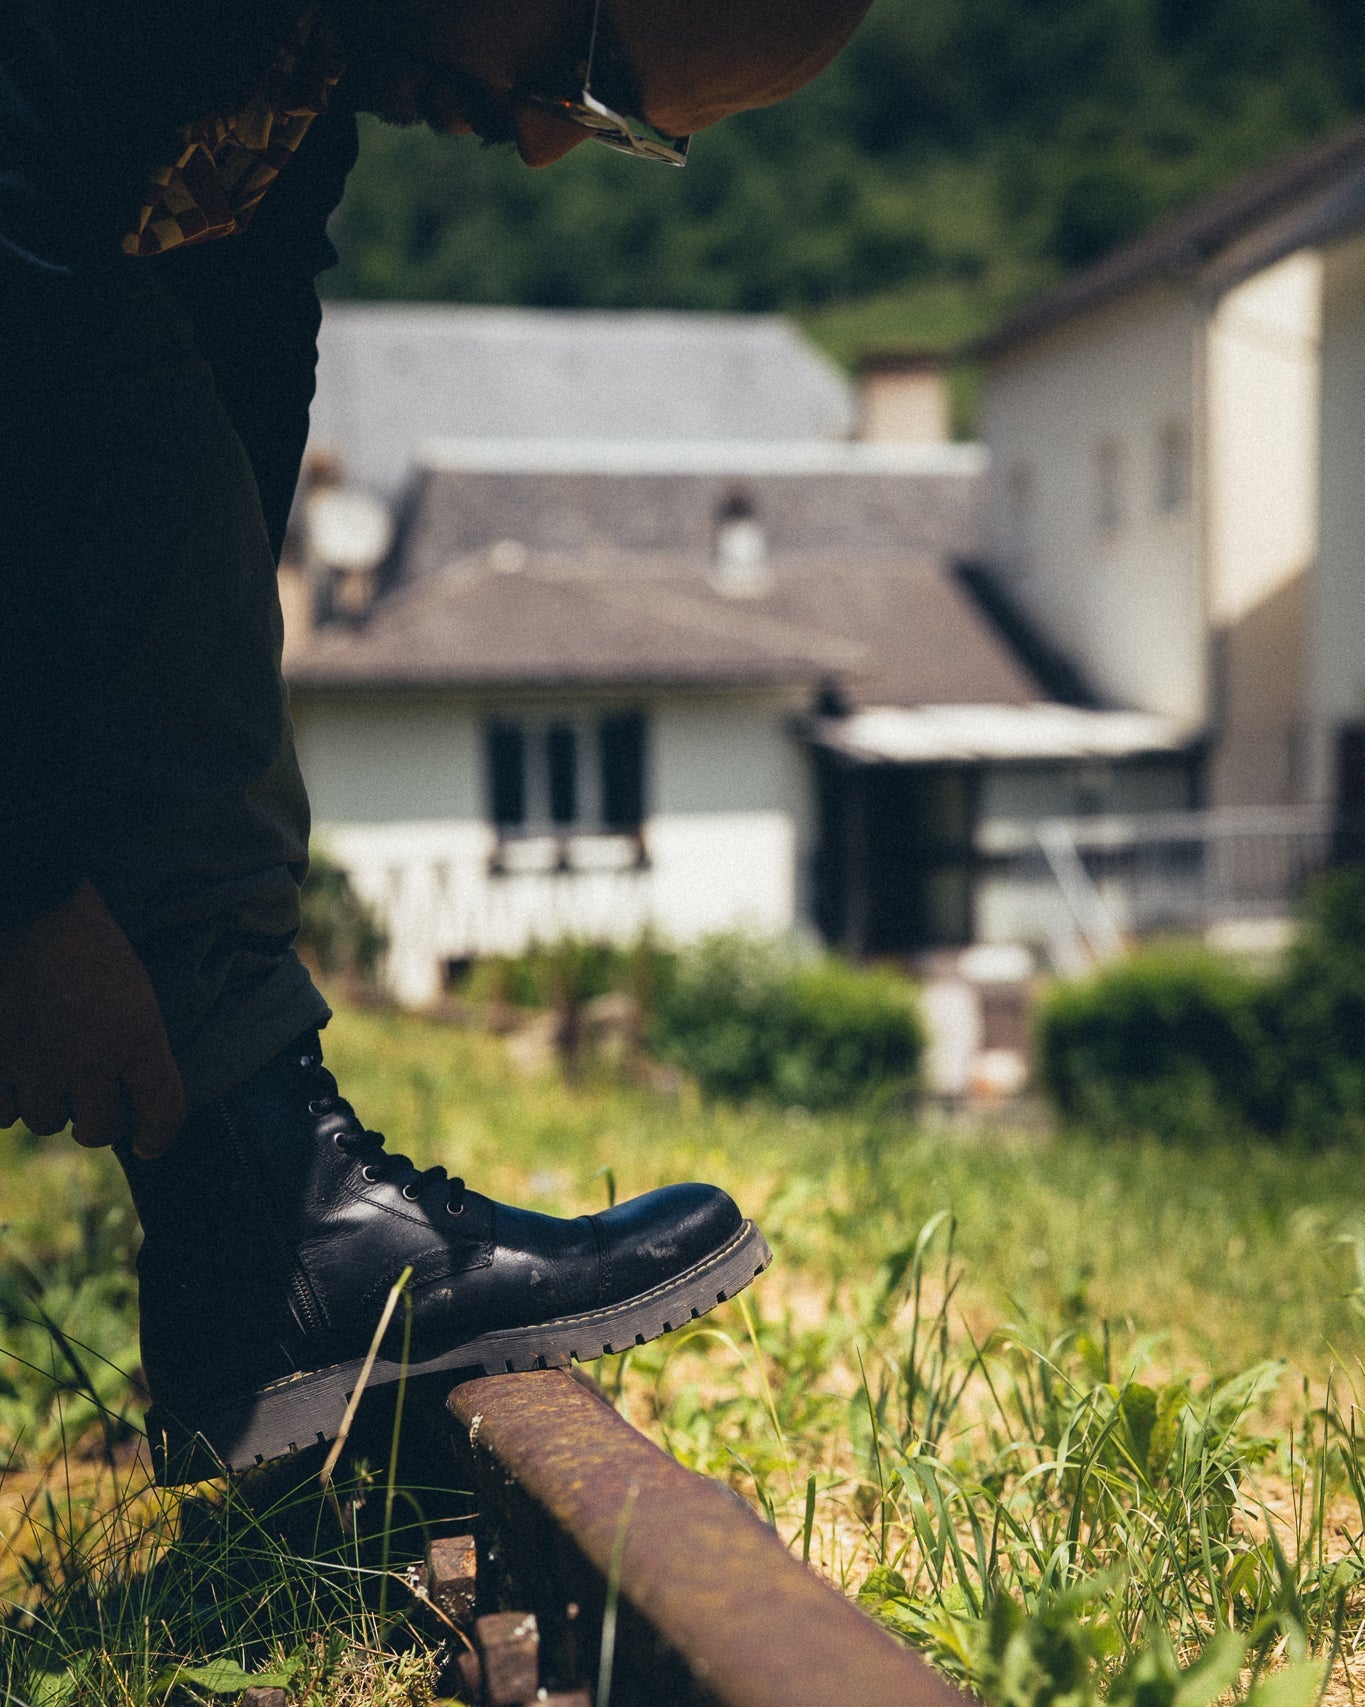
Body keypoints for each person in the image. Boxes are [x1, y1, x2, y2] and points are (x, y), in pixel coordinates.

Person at [0, 0, 870, 1480]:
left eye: (610, 129)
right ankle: (277, 1242)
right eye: (579, 83)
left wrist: (164, 745)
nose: (538, 147)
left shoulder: (284, 70)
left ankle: (263, 1245)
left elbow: (235, 352)